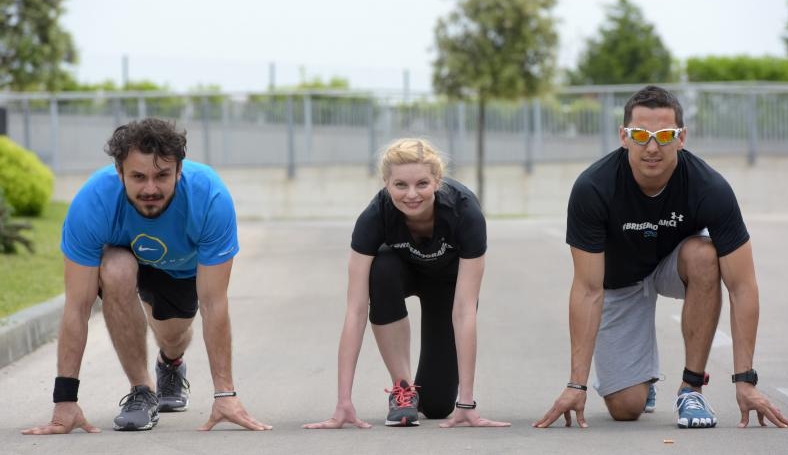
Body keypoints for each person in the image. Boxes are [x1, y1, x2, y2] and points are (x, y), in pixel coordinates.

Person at [534, 85, 788, 430]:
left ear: (682, 137)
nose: (652, 147)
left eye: (664, 135)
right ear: (623, 137)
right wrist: (576, 383)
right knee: (626, 408)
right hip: (619, 280)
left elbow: (742, 286)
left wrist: (745, 380)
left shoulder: (710, 188)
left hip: (674, 263)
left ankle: (691, 389)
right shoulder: (593, 188)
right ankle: (643, 383)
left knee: (705, 255)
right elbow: (587, 289)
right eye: (641, 135)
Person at [22, 118, 270, 434]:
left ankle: (171, 362)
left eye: (162, 175)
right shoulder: (93, 202)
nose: (150, 188)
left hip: (179, 270)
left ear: (179, 172)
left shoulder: (209, 197)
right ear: (119, 173)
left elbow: (213, 303)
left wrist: (225, 394)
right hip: (123, 256)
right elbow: (77, 306)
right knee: (116, 268)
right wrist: (65, 400)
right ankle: (142, 391)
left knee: (173, 336)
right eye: (138, 177)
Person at [303, 138, 509, 429]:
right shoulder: (375, 216)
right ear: (386, 183)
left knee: (437, 406)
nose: (412, 195)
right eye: (400, 185)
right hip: (399, 273)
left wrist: (466, 403)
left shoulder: (465, 213)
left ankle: (438, 399)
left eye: (422, 184)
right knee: (381, 268)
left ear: (437, 181)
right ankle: (403, 390)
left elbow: (465, 310)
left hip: (447, 287)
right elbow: (356, 310)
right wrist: (343, 403)